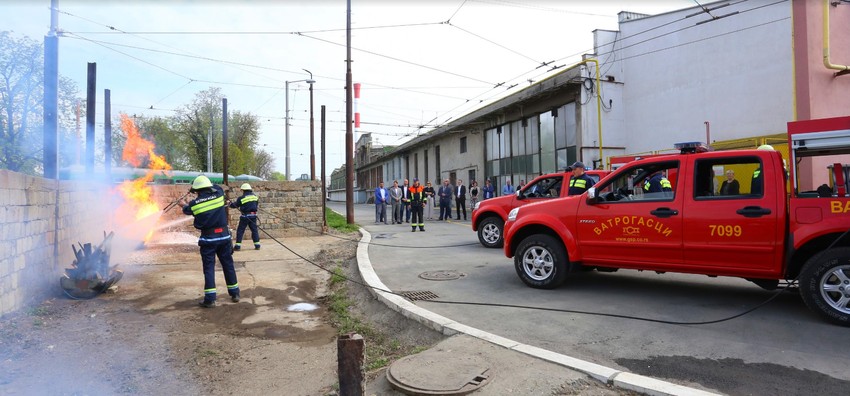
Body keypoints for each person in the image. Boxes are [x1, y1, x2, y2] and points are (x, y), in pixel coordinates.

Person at [178, 175, 240, 308]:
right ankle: (235, 293)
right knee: (228, 265)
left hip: (208, 240)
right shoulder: (219, 194)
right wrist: (195, 189)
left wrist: (184, 203)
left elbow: (186, 210)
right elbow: (216, 187)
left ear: (197, 190)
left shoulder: (195, 204)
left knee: (209, 269)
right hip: (224, 237)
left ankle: (210, 299)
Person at [229, 183, 260, 251]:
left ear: (243, 190)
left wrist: (229, 204)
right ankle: (257, 245)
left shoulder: (241, 198)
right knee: (254, 230)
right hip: (253, 216)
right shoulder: (255, 197)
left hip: (245, 216)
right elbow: (256, 204)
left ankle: (237, 246)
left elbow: (235, 205)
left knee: (240, 231)